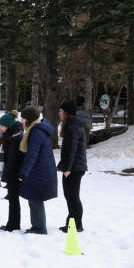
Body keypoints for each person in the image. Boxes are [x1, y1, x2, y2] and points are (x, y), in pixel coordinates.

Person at [18, 106, 58, 235]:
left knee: (35, 199)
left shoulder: (36, 132)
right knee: (34, 199)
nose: (22, 120)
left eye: (23, 118)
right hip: (40, 170)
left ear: (29, 119)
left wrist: (23, 173)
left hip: (39, 171)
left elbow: (32, 155)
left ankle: (39, 228)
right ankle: (37, 226)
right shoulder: (37, 129)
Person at [57, 99, 88, 233]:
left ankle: (77, 225)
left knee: (73, 197)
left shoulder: (74, 127)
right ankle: (71, 223)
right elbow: (67, 149)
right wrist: (61, 164)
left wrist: (68, 168)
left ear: (67, 113)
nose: (59, 113)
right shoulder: (72, 125)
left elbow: (72, 150)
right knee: (69, 196)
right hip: (72, 167)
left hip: (75, 168)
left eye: (61, 111)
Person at [0, 111, 24, 231]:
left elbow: (12, 159)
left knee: (13, 200)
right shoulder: (12, 135)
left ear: (8, 126)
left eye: (2, 126)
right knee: (13, 199)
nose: (0, 128)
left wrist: (5, 176)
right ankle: (13, 224)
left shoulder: (15, 138)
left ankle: (13, 225)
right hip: (14, 172)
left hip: (15, 173)